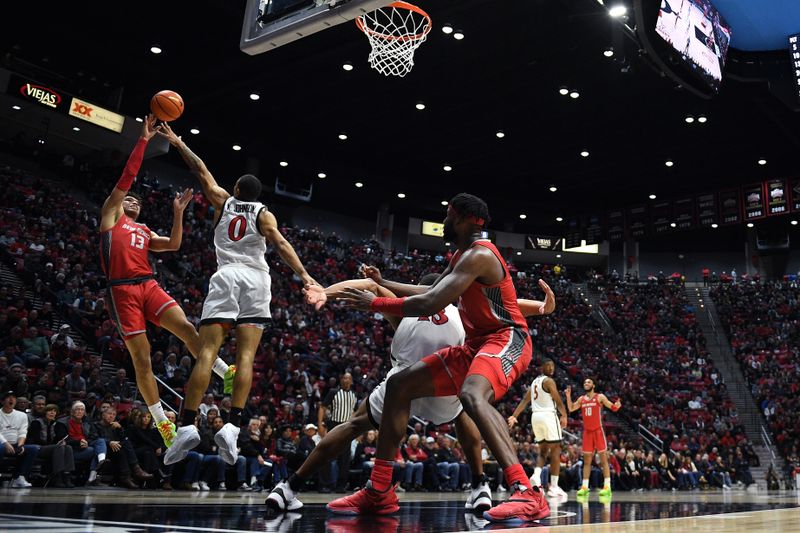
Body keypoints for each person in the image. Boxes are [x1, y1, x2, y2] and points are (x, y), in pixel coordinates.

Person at [327, 193, 551, 523]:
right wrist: (383, 283)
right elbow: (430, 292)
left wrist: (374, 303)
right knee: (399, 384)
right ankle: (379, 490)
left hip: (507, 338)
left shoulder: (479, 255)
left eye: (447, 215)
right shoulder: (462, 255)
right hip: (477, 344)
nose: (444, 221)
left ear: (462, 219)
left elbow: (431, 303)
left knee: (472, 395)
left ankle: (526, 491)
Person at [268, 271, 554, 516]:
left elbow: (367, 285)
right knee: (467, 408)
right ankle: (480, 486)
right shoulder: (462, 312)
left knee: (354, 424)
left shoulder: (403, 307)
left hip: (401, 386)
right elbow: (508, 306)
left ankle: (290, 486)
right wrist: (542, 306)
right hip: (442, 390)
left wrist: (325, 292)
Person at [158, 122, 317, 468]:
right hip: (257, 280)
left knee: (207, 354)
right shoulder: (264, 213)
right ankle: (233, 425)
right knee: (245, 357)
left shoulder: (223, 201)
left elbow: (200, 170)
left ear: (236, 189)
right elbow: (280, 243)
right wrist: (305, 276)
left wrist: (179, 142)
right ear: (257, 196)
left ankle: (186, 425)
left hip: (226, 275)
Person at [98, 115, 234, 447]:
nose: (132, 201)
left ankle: (224, 372)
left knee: (187, 329)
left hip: (148, 284)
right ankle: (161, 422)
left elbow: (173, 245)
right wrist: (143, 140)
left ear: (141, 213)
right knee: (141, 359)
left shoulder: (143, 231)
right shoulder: (110, 218)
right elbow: (126, 179)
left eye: (137, 202)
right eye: (129, 199)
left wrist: (177, 213)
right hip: (122, 291)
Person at [507, 358, 568, 499]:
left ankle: (536, 476)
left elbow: (524, 400)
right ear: (542, 368)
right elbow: (558, 400)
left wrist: (514, 415)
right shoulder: (549, 381)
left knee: (543, 451)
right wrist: (564, 415)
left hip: (535, 418)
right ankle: (554, 487)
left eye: (553, 366)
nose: (551, 368)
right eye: (548, 366)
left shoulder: (535, 382)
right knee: (556, 450)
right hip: (548, 415)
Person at [565, 378, 621, 498]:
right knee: (587, 461)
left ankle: (607, 487)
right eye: (585, 382)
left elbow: (612, 407)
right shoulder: (581, 399)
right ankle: (584, 487)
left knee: (603, 459)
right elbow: (571, 409)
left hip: (598, 431)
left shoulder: (599, 397)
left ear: (593, 385)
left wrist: (616, 405)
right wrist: (568, 396)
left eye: (588, 382)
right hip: (587, 433)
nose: (586, 384)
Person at [25, 403, 75, 487]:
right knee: (58, 447)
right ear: (45, 412)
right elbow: (34, 439)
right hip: (38, 448)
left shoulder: (57, 424)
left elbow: (62, 437)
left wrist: (62, 441)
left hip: (54, 448)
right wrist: (53, 444)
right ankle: (57, 476)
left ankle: (67, 476)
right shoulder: (36, 423)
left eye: (54, 411)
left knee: (68, 447)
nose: (52, 413)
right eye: (50, 411)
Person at [0, 391, 39, 487]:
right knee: (0, 448)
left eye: (13, 397)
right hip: (2, 444)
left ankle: (19, 477)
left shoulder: (22, 415)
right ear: (2, 401)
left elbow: (23, 432)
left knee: (33, 449)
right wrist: (5, 443)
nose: (11, 399)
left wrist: (20, 445)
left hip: (16, 444)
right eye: (8, 397)